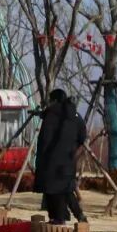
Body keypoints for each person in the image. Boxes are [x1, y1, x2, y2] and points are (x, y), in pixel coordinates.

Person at [35, 89, 88, 224]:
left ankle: (59, 218)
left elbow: (44, 140)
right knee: (67, 189)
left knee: (52, 189)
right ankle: (80, 216)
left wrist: (42, 158)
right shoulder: (75, 116)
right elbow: (83, 137)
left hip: (51, 161)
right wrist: (73, 151)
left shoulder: (51, 115)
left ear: (54, 100)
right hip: (69, 160)